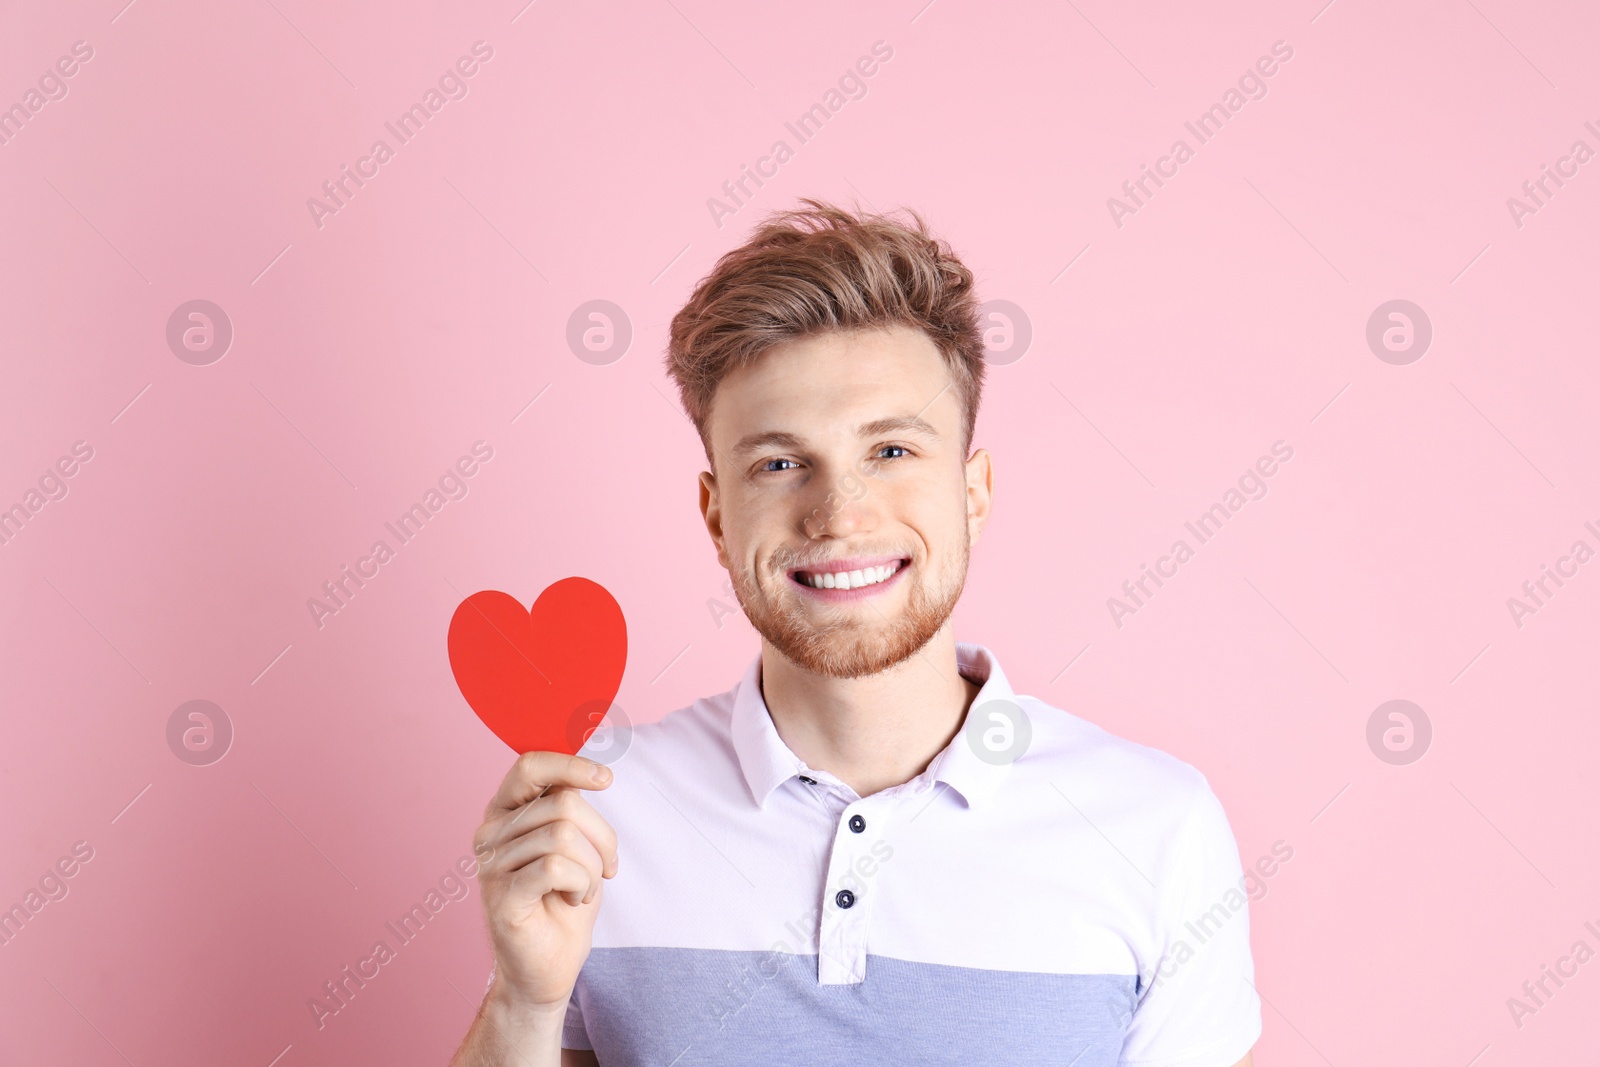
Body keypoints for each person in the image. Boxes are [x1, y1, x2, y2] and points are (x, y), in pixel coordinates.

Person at [450, 200, 1260, 1066]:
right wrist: (523, 1003)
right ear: (717, 516)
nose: (838, 515)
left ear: (973, 493)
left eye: (893, 452)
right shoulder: (601, 815)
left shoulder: (1155, 829)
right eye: (780, 463)